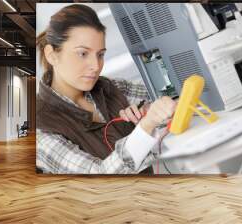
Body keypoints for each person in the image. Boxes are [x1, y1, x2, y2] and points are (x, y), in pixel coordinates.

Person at [36, 4, 176, 174]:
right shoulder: (41, 128)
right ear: (52, 55)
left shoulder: (108, 88)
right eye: (82, 53)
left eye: (100, 54)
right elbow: (98, 176)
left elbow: (172, 95)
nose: (96, 66)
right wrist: (145, 128)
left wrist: (152, 110)